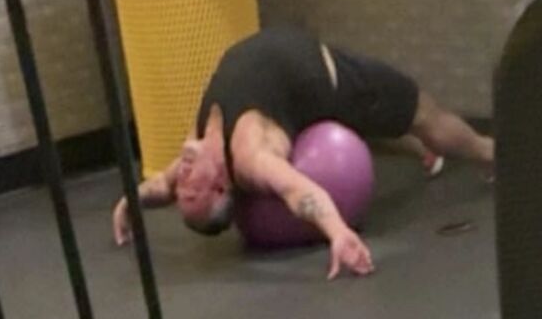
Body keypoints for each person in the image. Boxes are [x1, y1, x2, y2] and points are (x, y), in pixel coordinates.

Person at [113, 26, 494, 279]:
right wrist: (338, 233)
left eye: (180, 191)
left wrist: (131, 201)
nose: (181, 179)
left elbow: (161, 185)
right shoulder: (250, 157)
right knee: (428, 117)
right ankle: (492, 152)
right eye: (190, 190)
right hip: (338, 82)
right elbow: (301, 192)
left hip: (302, 76)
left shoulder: (198, 152)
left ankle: (418, 149)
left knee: (400, 126)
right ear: (218, 188)